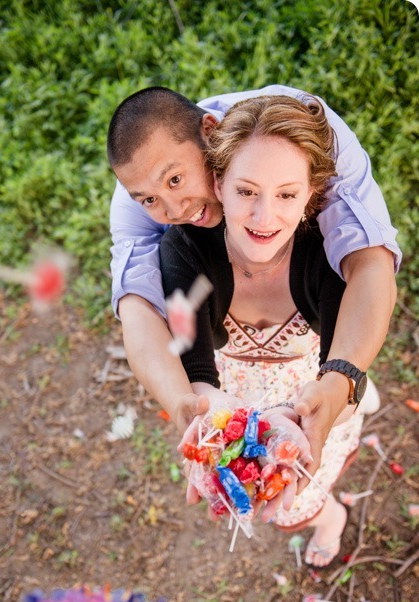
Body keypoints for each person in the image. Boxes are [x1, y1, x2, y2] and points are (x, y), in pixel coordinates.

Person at [107, 84, 399, 490]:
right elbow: (137, 308)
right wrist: (185, 405)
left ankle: (352, 385)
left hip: (311, 344)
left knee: (341, 365)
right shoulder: (153, 219)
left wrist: (341, 379)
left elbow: (369, 264)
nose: (174, 213)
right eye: (149, 200)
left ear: (210, 134)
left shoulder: (319, 149)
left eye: (176, 180)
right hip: (235, 368)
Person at [159, 94, 372, 567]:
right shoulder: (184, 250)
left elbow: (342, 362)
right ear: (218, 182)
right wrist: (212, 407)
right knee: (253, 484)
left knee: (298, 495)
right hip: (229, 396)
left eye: (286, 195)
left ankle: (330, 516)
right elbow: (190, 355)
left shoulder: (326, 254)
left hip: (313, 401)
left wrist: (297, 421)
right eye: (246, 191)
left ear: (311, 193)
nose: (263, 217)